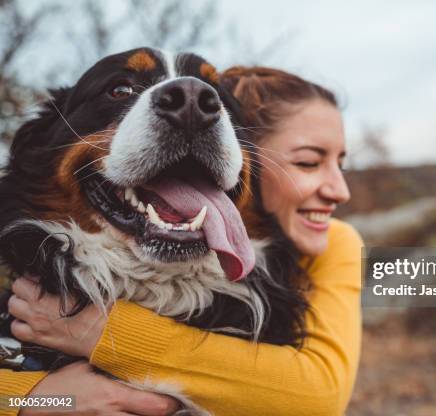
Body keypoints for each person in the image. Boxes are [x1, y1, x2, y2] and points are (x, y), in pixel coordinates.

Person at [0, 66, 363, 416]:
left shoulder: (337, 243)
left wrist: (103, 333)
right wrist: (34, 398)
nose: (340, 191)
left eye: (340, 165)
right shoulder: (26, 299)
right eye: (308, 163)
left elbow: (320, 395)